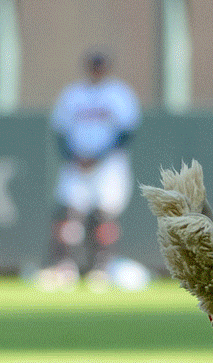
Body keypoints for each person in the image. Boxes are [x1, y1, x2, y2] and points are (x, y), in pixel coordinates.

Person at [42, 49, 142, 290]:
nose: (96, 70)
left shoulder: (119, 94)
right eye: (93, 66)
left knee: (104, 214)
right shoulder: (73, 94)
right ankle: (64, 267)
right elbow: (61, 131)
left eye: (100, 66)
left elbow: (126, 132)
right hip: (76, 163)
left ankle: (102, 268)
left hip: (108, 165)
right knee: (68, 213)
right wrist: (75, 157)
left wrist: (97, 157)